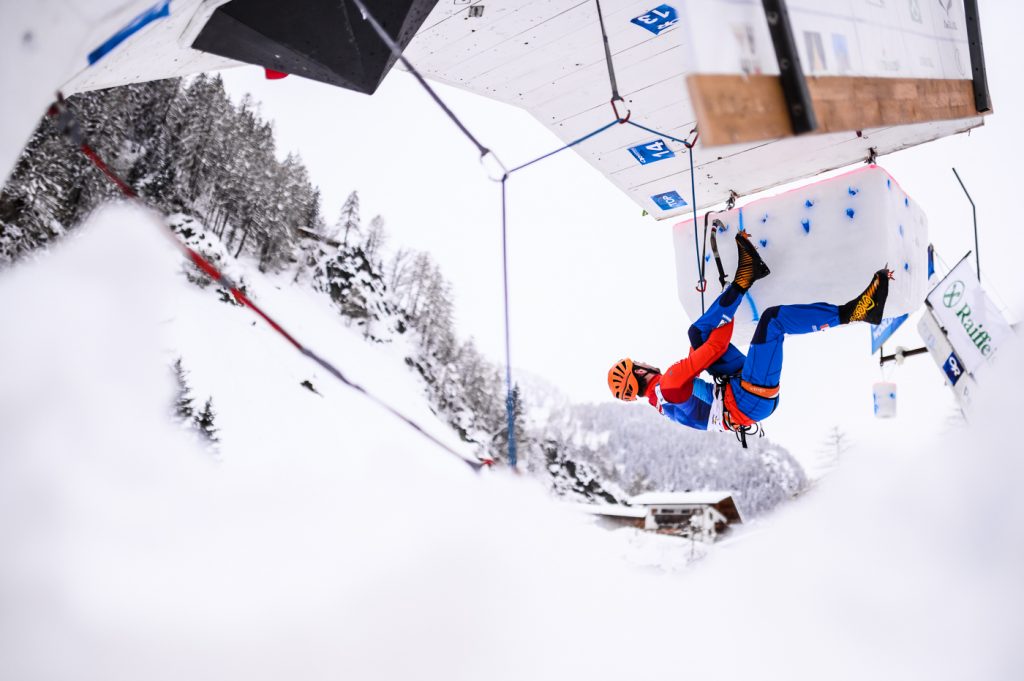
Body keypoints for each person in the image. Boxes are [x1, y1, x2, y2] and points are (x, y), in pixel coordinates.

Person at [607, 231, 892, 439]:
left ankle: (749, 273)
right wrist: (735, 300)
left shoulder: (664, 401)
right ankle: (854, 312)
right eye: (638, 364)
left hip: (735, 391)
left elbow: (706, 347)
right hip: (748, 400)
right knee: (773, 321)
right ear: (640, 372)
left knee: (697, 334)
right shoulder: (669, 383)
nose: (644, 362)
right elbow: (717, 345)